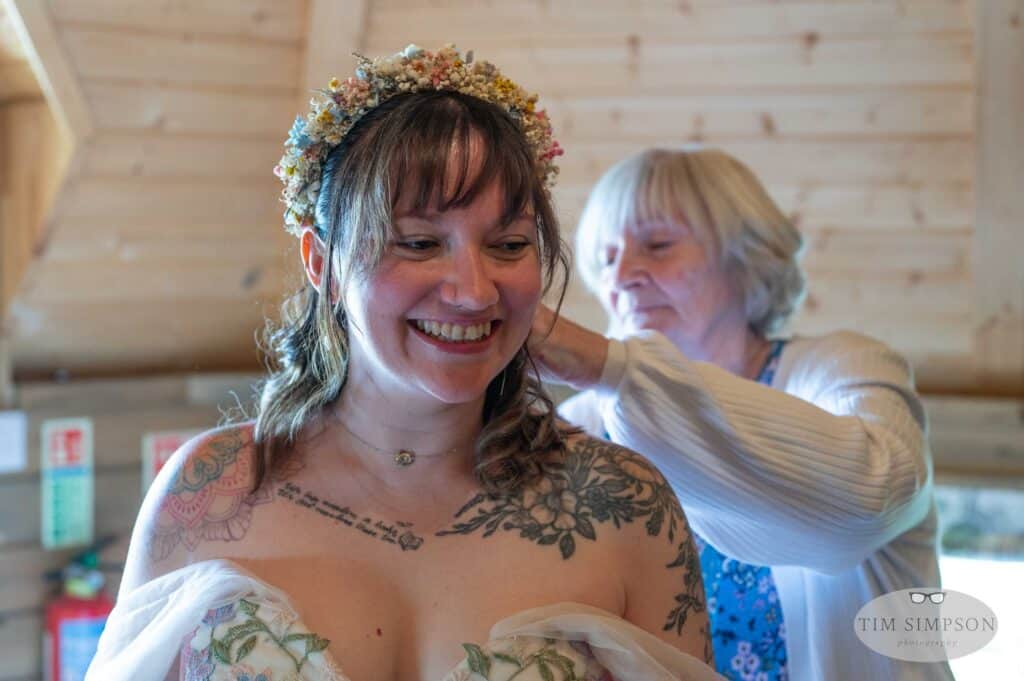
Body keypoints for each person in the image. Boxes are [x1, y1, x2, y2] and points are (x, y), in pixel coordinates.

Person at [85, 47, 724, 681]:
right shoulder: (206, 489)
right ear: (322, 264)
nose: (474, 291)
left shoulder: (629, 509)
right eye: (419, 243)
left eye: (508, 245)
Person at [530, 148, 954, 681]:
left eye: (657, 246)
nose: (624, 275)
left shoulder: (840, 369)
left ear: (745, 258)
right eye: (606, 258)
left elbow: (868, 499)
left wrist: (609, 365)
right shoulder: (587, 421)